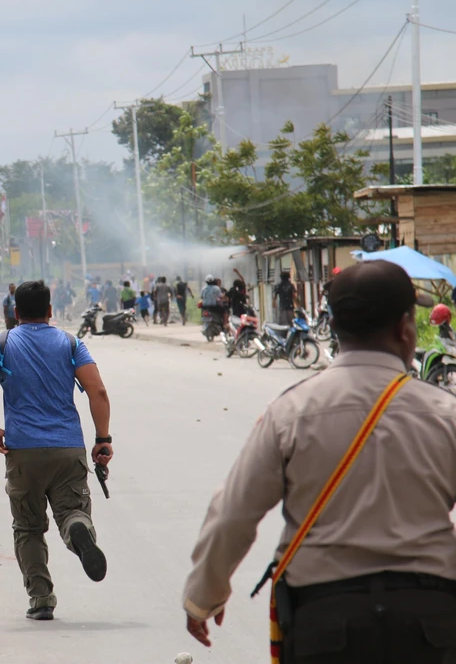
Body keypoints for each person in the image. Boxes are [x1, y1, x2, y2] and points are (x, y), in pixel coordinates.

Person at [182, 260, 454, 664]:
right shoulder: (444, 413)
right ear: (405, 327)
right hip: (430, 621)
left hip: (325, 621)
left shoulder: (290, 411)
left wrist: (203, 597)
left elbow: (234, 512)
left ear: (336, 326)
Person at [0, 280, 112, 621]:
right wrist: (103, 439)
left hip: (23, 452)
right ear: (50, 310)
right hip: (67, 448)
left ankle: (41, 599)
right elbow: (98, 391)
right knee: (73, 511)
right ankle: (78, 530)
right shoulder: (71, 343)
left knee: (28, 528)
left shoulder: (1, 343)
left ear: (15, 312)